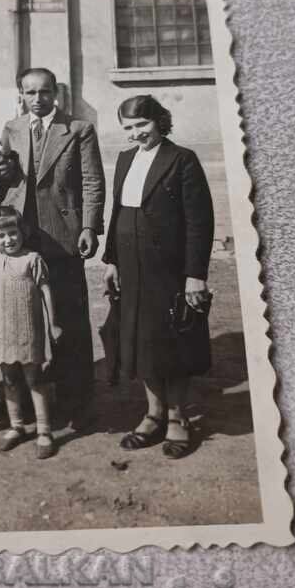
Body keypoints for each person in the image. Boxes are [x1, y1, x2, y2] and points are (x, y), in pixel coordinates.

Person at [0, 67, 105, 429]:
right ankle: (27, 398)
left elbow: (92, 181)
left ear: (55, 93)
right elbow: (4, 184)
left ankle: (77, 402)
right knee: (23, 317)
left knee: (69, 319)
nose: (37, 99)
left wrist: (89, 227)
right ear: (21, 95)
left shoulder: (78, 129)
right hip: (21, 241)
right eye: (30, 93)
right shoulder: (12, 128)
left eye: (44, 92)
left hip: (63, 236)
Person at [102, 94, 214, 458]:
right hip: (130, 266)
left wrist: (195, 274)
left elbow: (199, 221)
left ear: (159, 121)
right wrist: (111, 260)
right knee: (141, 341)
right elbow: (118, 213)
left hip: (168, 268)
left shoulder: (182, 159)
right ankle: (153, 414)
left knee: (172, 341)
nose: (136, 134)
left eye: (142, 125)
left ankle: (178, 417)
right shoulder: (125, 159)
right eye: (128, 128)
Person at [0, 206, 62, 459]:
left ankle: (44, 430)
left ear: (22, 232)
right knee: (9, 378)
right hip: (1, 330)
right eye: (1, 235)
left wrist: (53, 323)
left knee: (34, 378)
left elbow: (46, 291)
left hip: (28, 329)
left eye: (12, 233)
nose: (8, 240)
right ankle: (16, 426)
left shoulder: (32, 259)